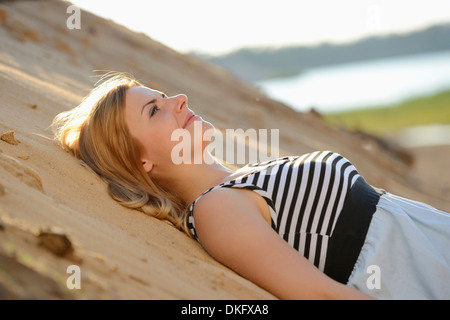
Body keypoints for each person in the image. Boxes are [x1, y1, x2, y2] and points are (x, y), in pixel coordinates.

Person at [52, 72, 450, 300]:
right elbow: (318, 295)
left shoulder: (238, 183)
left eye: (163, 95)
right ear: (143, 162)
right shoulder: (214, 210)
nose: (179, 99)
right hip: (415, 274)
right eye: (154, 109)